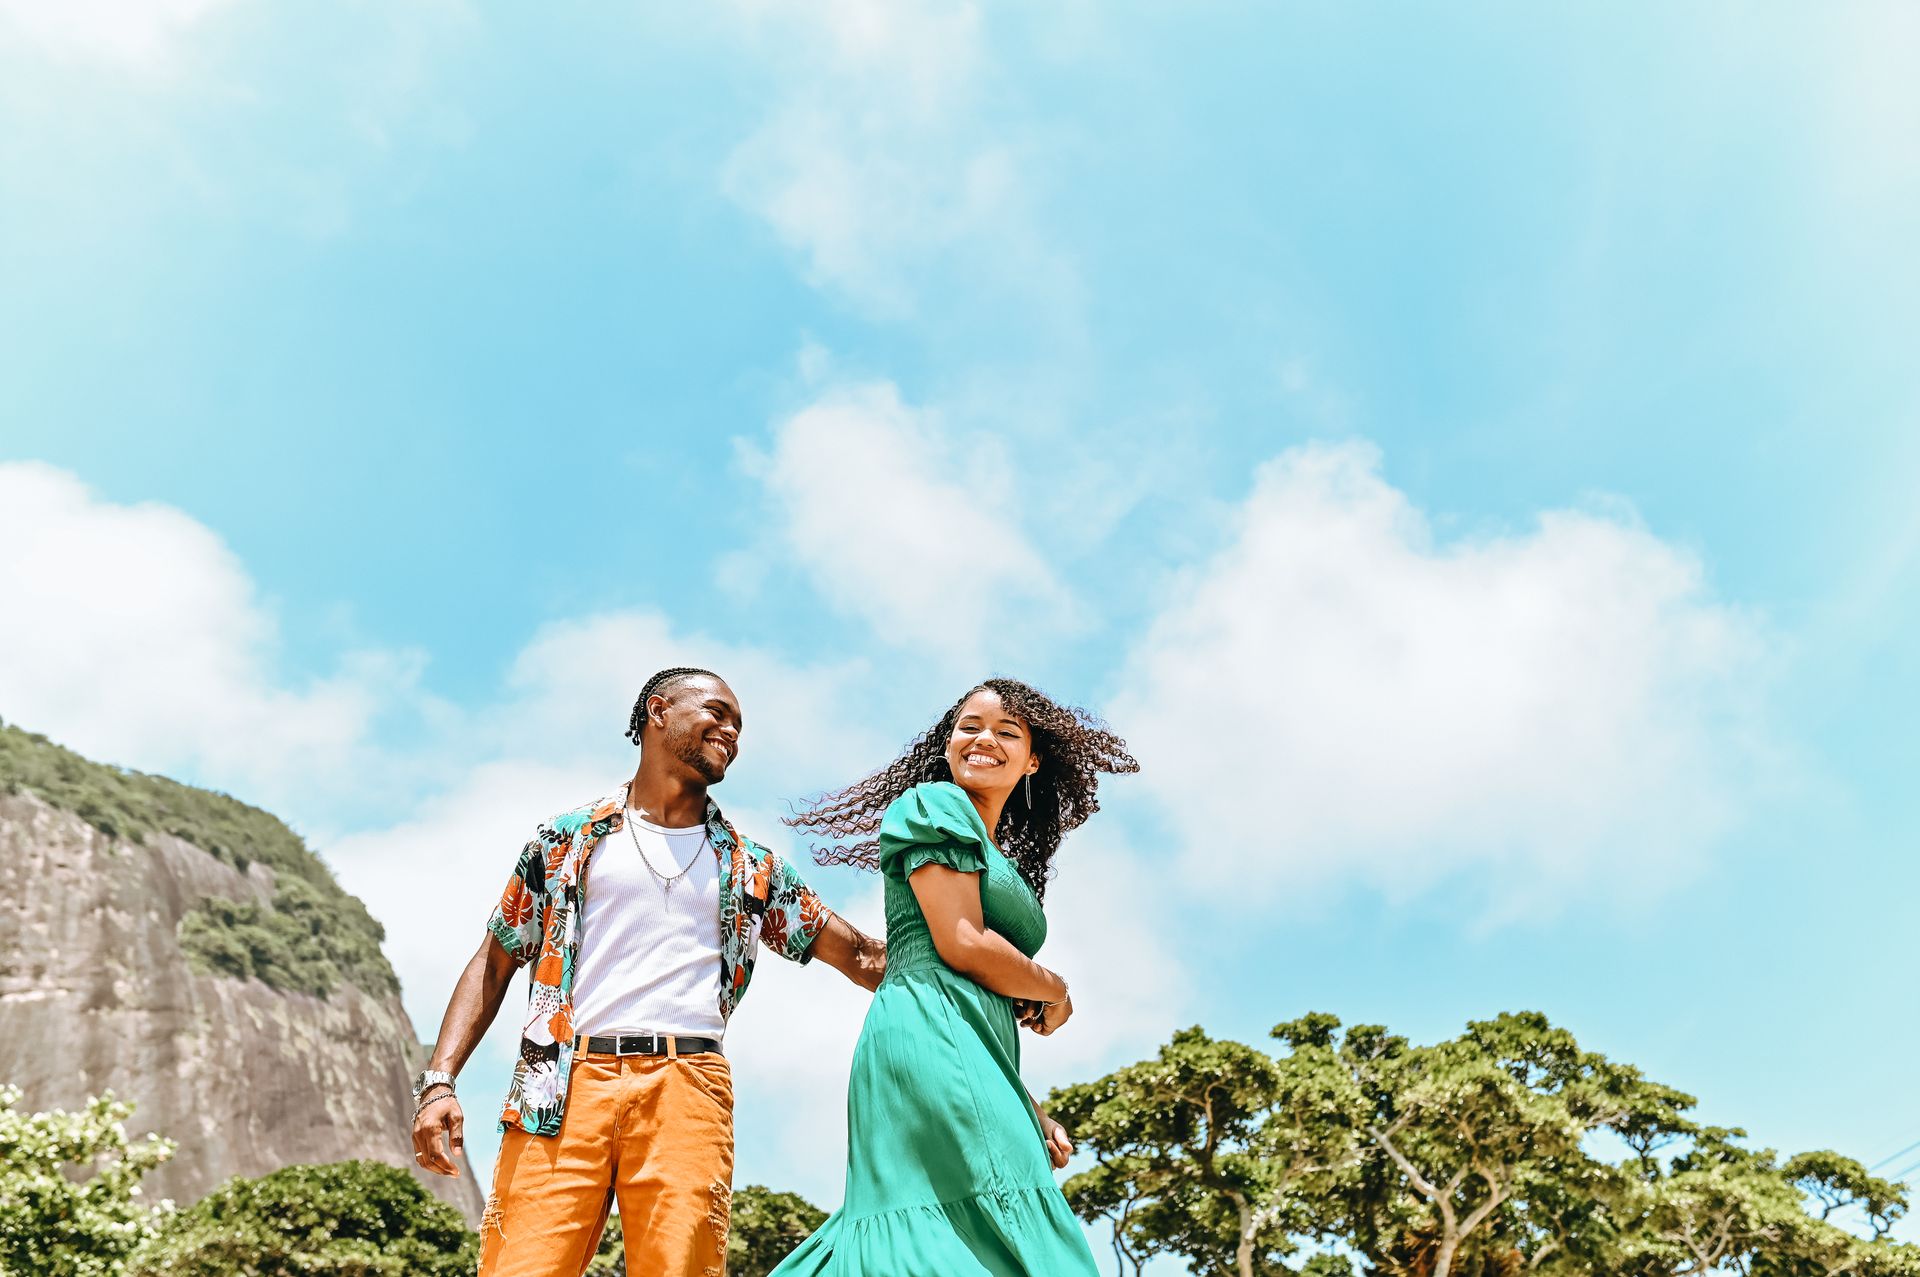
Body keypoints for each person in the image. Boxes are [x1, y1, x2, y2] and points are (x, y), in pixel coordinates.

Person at [410, 667, 887, 1277]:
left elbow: (862, 957)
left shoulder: (750, 866)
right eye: (717, 712)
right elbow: (495, 960)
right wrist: (440, 1082)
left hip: (687, 1087)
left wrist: (994, 987)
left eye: (739, 725)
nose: (732, 731)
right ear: (658, 711)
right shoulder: (568, 840)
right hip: (561, 1081)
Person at [771, 677, 1139, 1276]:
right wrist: (1055, 989)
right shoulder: (932, 806)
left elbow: (979, 989)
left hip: (966, 1043)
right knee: (1001, 1237)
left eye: (1007, 732)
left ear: (1033, 759)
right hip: (927, 1024)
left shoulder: (998, 856)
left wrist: (1026, 1108)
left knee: (948, 1226)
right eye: (969, 726)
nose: (984, 739)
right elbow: (963, 943)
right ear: (946, 743)